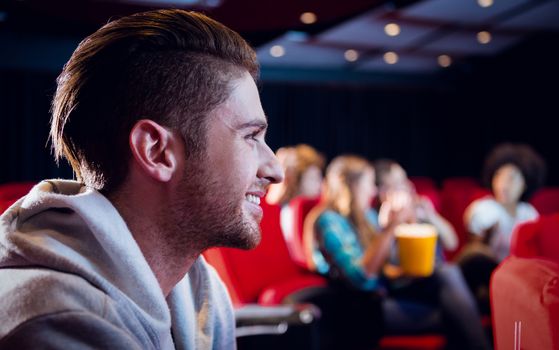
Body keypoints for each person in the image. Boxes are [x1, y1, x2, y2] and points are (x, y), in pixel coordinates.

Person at [0, 9, 283, 349]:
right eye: (251, 137)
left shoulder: (202, 290)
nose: (275, 170)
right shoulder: (55, 323)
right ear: (156, 152)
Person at [304, 155, 491, 350]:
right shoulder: (328, 220)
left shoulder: (366, 216)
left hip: (385, 295)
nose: (373, 190)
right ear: (352, 186)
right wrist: (392, 225)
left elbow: (386, 268)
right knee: (458, 314)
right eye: (369, 183)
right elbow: (361, 277)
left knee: (451, 275)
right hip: (360, 309)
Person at [459, 143, 546, 314]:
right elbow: (474, 254)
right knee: (476, 256)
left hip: (518, 278)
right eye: (499, 176)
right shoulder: (482, 209)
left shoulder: (528, 213)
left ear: (526, 183)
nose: (503, 184)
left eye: (512, 178)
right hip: (486, 277)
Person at [374, 159, 458, 263]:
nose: (409, 185)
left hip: (436, 268)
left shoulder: (420, 212)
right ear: (383, 192)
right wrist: (396, 221)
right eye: (400, 182)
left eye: (406, 179)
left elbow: (452, 243)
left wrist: (431, 215)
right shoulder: (379, 220)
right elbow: (386, 261)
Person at [266, 144, 325, 262]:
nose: (320, 185)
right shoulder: (289, 212)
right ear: (295, 181)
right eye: (313, 178)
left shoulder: (308, 209)